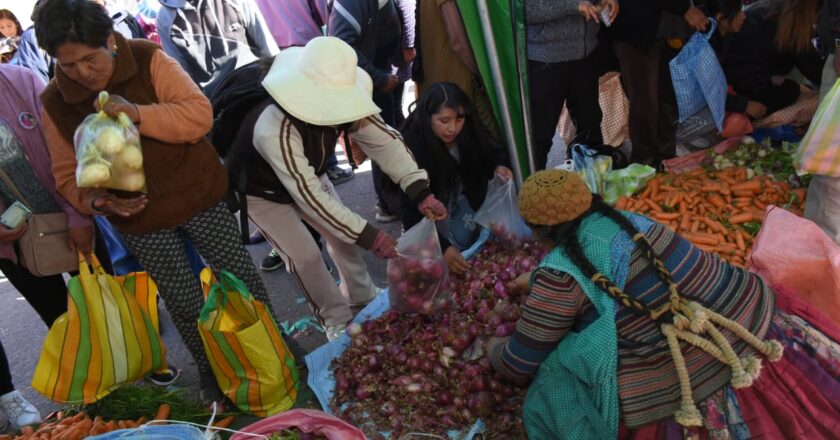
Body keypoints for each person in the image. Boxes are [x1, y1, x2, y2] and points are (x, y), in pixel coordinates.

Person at [34, 0, 277, 402]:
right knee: (182, 299)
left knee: (239, 279)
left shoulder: (147, 59)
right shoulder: (55, 101)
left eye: (89, 59)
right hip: (139, 218)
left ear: (110, 41)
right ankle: (212, 370)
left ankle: (271, 344)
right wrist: (99, 204)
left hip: (198, 194)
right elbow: (65, 173)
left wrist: (138, 113)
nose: (82, 72)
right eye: (68, 64)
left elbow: (198, 116)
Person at [487, 169, 840, 439]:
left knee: (557, 376)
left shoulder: (560, 275)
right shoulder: (634, 223)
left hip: (699, 370)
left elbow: (518, 364)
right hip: (756, 318)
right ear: (589, 201)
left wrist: (493, 347)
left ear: (536, 231)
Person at [225, 37, 447, 341]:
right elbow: (308, 197)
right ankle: (335, 318)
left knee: (344, 239)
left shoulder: (344, 103)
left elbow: (386, 141)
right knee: (304, 257)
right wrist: (371, 236)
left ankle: (362, 294)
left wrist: (421, 190)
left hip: (308, 174)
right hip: (262, 190)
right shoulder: (272, 126)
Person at [399, 82, 511, 274]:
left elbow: (489, 151)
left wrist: (498, 166)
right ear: (428, 118)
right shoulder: (411, 146)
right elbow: (409, 207)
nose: (452, 128)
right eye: (444, 121)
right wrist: (442, 247)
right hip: (427, 220)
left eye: (459, 120)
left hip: (463, 210)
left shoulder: (469, 129)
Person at [607, 0, 708, 168]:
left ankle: (666, 159)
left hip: (669, 28)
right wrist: (685, 8)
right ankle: (644, 164)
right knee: (644, 101)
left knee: (668, 98)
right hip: (638, 29)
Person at [329, 0, 403, 222]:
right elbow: (341, 48)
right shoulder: (352, 3)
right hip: (370, 82)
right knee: (384, 144)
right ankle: (390, 203)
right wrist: (379, 79)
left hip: (379, 75)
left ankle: (394, 200)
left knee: (390, 141)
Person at [525, 0, 617, 170]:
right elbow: (525, 9)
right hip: (546, 57)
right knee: (538, 137)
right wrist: (574, 5)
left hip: (586, 53)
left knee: (590, 128)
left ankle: (595, 187)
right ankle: (531, 192)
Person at [156, 0, 278, 99]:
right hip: (217, 101)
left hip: (258, 84)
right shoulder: (165, 17)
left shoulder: (236, 2)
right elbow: (184, 79)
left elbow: (269, 50)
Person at [722, 0, 824, 114]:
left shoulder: (765, 6)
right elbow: (815, 71)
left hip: (728, 77)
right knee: (792, 89)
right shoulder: (795, 26)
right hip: (747, 90)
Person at [702, 0, 769, 119]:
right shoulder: (704, 46)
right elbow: (705, 91)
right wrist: (745, 106)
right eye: (738, 12)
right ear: (720, 18)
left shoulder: (727, 36)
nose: (743, 16)